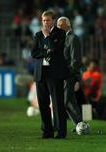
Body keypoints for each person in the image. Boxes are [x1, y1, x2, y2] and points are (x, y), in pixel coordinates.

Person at [31, 10, 69, 139]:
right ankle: (47, 131)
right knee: (42, 103)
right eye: (43, 20)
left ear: (53, 21)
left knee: (58, 103)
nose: (45, 23)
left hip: (55, 73)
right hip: (41, 73)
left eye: (47, 20)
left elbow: (55, 49)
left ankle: (61, 132)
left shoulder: (61, 33)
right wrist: (47, 51)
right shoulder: (37, 35)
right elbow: (34, 53)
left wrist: (47, 38)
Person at [57, 16, 83, 131]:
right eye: (58, 26)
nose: (59, 28)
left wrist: (73, 75)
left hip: (69, 74)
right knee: (70, 100)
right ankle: (78, 124)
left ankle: (79, 124)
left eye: (61, 26)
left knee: (66, 100)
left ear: (68, 25)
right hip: (62, 74)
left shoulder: (73, 39)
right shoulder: (62, 38)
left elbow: (75, 60)